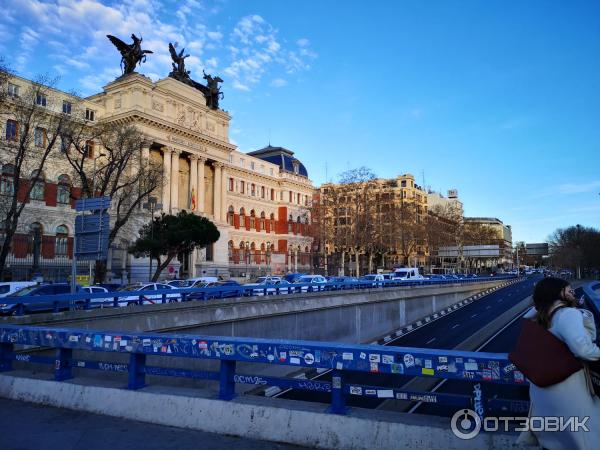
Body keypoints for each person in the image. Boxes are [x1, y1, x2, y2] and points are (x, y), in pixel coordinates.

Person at [518, 277, 600, 449]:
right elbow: (584, 349)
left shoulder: (538, 316)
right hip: (567, 386)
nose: (573, 292)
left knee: (554, 439)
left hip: (542, 389)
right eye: (569, 290)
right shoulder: (567, 314)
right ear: (558, 293)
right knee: (582, 436)